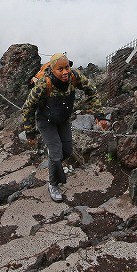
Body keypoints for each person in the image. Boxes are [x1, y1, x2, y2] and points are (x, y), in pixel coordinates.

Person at [22, 53, 109, 202]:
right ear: (52, 70)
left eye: (67, 67)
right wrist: (30, 132)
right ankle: (53, 184)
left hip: (63, 119)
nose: (65, 72)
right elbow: (28, 107)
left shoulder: (75, 77)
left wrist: (99, 115)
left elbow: (92, 91)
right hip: (46, 121)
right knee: (56, 154)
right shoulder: (44, 83)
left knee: (67, 151)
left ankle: (54, 161)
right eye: (60, 69)